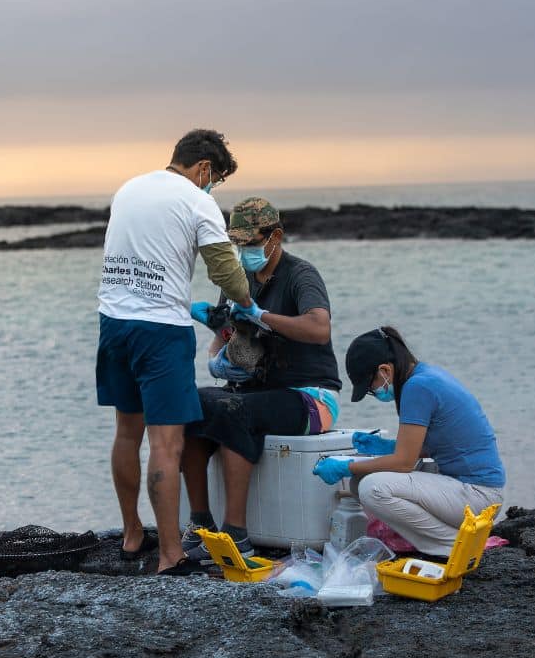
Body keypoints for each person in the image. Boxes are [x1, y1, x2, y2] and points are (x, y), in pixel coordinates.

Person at [96, 129, 263, 576]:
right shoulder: (197, 200)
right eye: (216, 179)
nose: (213, 188)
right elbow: (225, 269)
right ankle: (170, 554)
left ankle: (132, 535)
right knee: (166, 444)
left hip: (113, 322)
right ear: (205, 169)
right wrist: (248, 303)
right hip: (160, 332)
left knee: (126, 432)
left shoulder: (129, 188)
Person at [181, 197, 342, 562]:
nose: (244, 251)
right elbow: (222, 338)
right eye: (238, 243)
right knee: (186, 404)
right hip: (253, 392)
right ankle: (200, 526)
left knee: (234, 409)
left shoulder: (301, 275)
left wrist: (262, 314)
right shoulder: (238, 282)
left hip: (311, 398)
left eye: (251, 242)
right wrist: (217, 362)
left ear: (276, 237)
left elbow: (319, 328)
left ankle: (236, 535)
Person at [313, 327, 505, 557]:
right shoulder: (426, 376)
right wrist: (387, 447)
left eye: (371, 388)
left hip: (478, 496)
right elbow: (431, 447)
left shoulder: (417, 387)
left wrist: (345, 466)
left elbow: (404, 462)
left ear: (385, 370)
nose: (375, 392)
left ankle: (452, 544)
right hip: (475, 494)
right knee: (359, 483)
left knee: (371, 488)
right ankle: (444, 538)